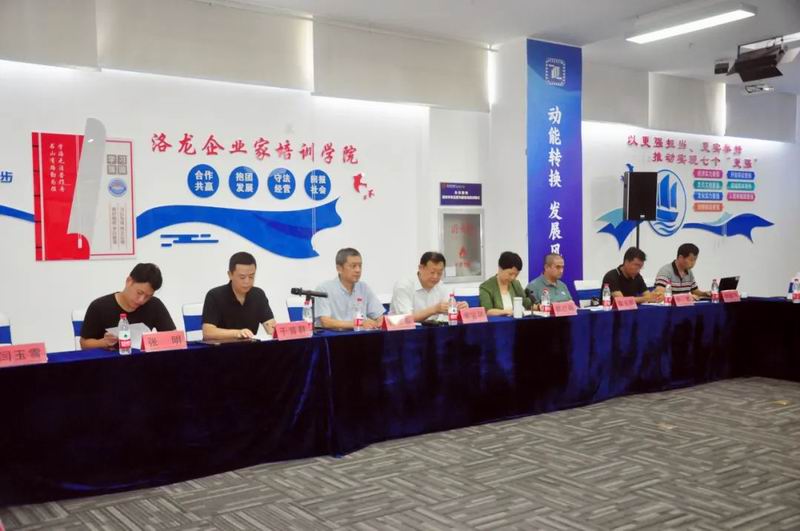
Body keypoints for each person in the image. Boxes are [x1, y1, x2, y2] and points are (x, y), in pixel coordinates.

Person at [80, 263, 175, 349]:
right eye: (139, 293)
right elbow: (84, 344)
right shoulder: (99, 307)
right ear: (129, 281)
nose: (141, 300)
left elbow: (173, 338)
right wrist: (103, 343)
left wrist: (153, 341)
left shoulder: (155, 305)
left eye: (148, 296)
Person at [202, 252, 276, 339]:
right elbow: (208, 332)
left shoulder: (258, 295)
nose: (247, 281)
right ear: (230, 275)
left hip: (250, 346)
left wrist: (277, 331)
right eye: (242, 277)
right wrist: (237, 333)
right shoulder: (214, 296)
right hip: (222, 346)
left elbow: (271, 327)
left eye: (251, 277)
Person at [315, 248, 384, 329]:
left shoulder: (363, 288)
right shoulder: (323, 289)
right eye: (353, 266)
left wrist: (379, 322)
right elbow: (326, 322)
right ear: (339, 269)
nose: (358, 270)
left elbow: (379, 316)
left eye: (360, 266)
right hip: (335, 335)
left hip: (361, 335)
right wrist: (359, 323)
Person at [390, 251, 468, 321]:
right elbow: (406, 319)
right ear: (420, 268)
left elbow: (449, 312)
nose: (435, 277)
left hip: (432, 330)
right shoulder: (403, 286)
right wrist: (434, 309)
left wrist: (459, 309)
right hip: (403, 331)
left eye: (439, 273)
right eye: (432, 272)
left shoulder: (441, 286)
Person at [479, 251, 533, 316]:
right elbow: (487, 311)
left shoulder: (515, 284)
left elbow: (527, 304)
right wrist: (507, 312)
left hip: (515, 321)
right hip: (498, 321)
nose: (513, 278)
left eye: (516, 275)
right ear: (500, 268)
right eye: (510, 274)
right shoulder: (486, 287)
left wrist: (539, 307)